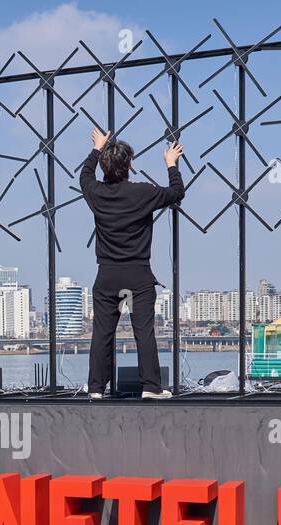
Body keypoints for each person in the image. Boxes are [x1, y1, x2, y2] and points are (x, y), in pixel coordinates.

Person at [79, 127, 187, 399]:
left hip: (106, 275)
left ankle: (95, 388)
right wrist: (171, 164)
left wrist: (97, 148)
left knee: (102, 334)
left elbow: (84, 176)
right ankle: (151, 386)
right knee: (143, 332)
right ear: (128, 165)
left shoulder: (96, 194)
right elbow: (177, 192)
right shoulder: (143, 192)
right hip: (138, 274)